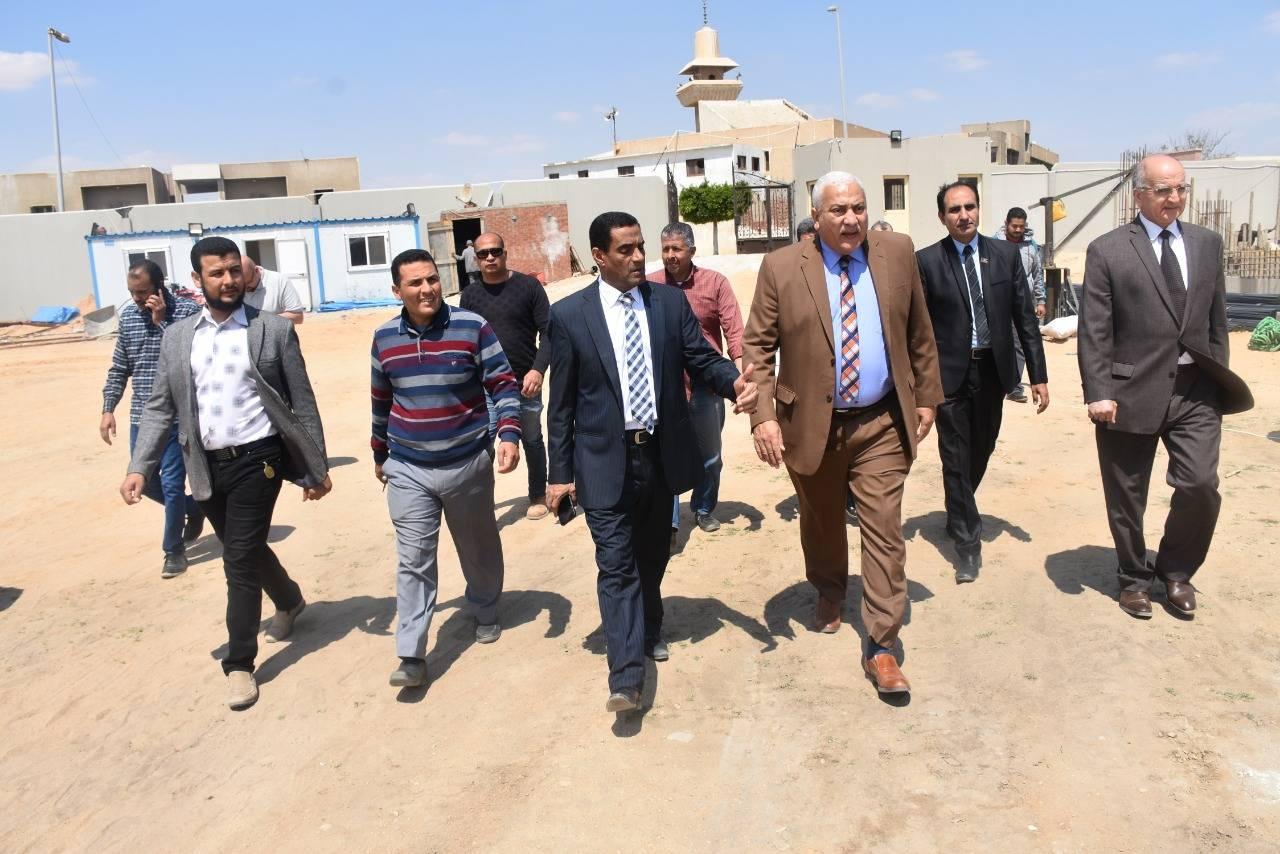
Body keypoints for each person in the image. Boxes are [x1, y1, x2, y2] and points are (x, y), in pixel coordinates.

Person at [545, 211, 757, 713]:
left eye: (641, 246)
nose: (639, 257)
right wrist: (559, 475)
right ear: (599, 256)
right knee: (616, 565)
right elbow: (562, 405)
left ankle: (651, 622)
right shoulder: (570, 315)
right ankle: (626, 677)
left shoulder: (668, 304)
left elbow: (701, 358)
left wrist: (734, 383)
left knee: (653, 555)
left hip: (659, 455)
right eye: (626, 249)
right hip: (602, 460)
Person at [743, 171, 943, 696]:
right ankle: (829, 586)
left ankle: (882, 643)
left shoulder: (897, 251)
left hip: (881, 421)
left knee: (884, 529)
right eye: (838, 211)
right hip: (810, 423)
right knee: (822, 519)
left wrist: (927, 397)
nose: (851, 219)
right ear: (816, 217)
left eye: (858, 207)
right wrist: (763, 415)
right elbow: (757, 346)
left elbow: (919, 331)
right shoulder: (782, 266)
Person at [119, 236, 332, 711]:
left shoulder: (272, 330)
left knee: (236, 560)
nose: (229, 280)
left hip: (260, 460)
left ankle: (239, 664)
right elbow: (160, 407)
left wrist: (315, 466)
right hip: (205, 464)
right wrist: (140, 466)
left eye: (235, 270)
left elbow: (302, 401)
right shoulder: (178, 337)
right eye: (217, 273)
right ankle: (289, 599)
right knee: (246, 547)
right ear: (198, 279)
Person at [1078, 154, 1253, 619]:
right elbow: (1095, 329)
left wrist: (1218, 375)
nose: (1174, 198)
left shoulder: (1206, 244)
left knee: (1200, 485)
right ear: (1139, 194)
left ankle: (1176, 570)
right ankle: (1133, 578)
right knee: (1127, 496)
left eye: (1181, 189)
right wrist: (1099, 390)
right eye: (1163, 190)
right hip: (1129, 392)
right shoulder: (1108, 250)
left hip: (1196, 391)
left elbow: (1217, 320)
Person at [372, 248, 523, 689]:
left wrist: (509, 434)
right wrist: (380, 453)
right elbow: (381, 399)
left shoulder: (471, 327)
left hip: (466, 462)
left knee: (478, 546)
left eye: (432, 279)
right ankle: (411, 653)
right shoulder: (384, 338)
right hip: (408, 467)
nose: (427, 289)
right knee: (414, 559)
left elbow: (503, 383)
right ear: (397, 290)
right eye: (415, 283)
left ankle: (485, 607)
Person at [916, 181, 1049, 583]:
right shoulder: (927, 261)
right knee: (955, 457)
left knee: (983, 447)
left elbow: (1024, 317)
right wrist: (920, 384)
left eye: (969, 207)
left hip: (994, 371)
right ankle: (967, 545)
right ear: (942, 217)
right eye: (954, 210)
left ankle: (958, 506)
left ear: (978, 209)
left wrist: (1038, 375)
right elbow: (918, 330)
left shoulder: (1005, 255)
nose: (964, 215)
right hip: (949, 375)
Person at [100, 259, 203, 579]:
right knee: (144, 481)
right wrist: (108, 408)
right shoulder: (129, 318)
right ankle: (193, 507)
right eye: (132, 292)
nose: (136, 298)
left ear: (159, 287)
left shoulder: (186, 312)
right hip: (141, 416)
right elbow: (120, 367)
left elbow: (190, 358)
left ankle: (173, 550)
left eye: (142, 292)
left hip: (177, 416)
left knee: (172, 484)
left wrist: (161, 323)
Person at [648, 222, 744, 535]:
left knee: (710, 455)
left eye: (676, 249)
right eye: (666, 249)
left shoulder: (715, 283)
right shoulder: (649, 286)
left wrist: (740, 378)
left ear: (691, 250)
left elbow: (734, 332)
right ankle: (670, 520)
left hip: (706, 384)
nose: (670, 255)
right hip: (665, 384)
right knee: (665, 452)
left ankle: (703, 507)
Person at [460, 232, 551, 520]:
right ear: (476, 259)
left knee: (531, 439)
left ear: (505, 253)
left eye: (495, 251)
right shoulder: (470, 295)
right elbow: (463, 340)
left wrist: (538, 369)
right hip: (485, 386)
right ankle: (480, 501)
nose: (490, 257)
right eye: (483, 253)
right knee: (483, 442)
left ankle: (537, 494)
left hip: (525, 383)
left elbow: (550, 333)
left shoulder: (529, 287)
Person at [993, 207, 1047, 403]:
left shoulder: (1031, 246)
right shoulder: (993, 244)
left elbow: (1037, 274)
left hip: (1023, 303)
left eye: (1021, 227)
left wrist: (1040, 300)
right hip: (998, 303)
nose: (1017, 230)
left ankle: (1014, 387)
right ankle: (997, 382)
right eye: (1014, 226)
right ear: (1006, 224)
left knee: (1020, 344)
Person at [241, 257, 305, 325]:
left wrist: (264, 320)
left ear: (256, 271)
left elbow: (298, 317)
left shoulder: (279, 281)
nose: (244, 289)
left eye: (248, 283)